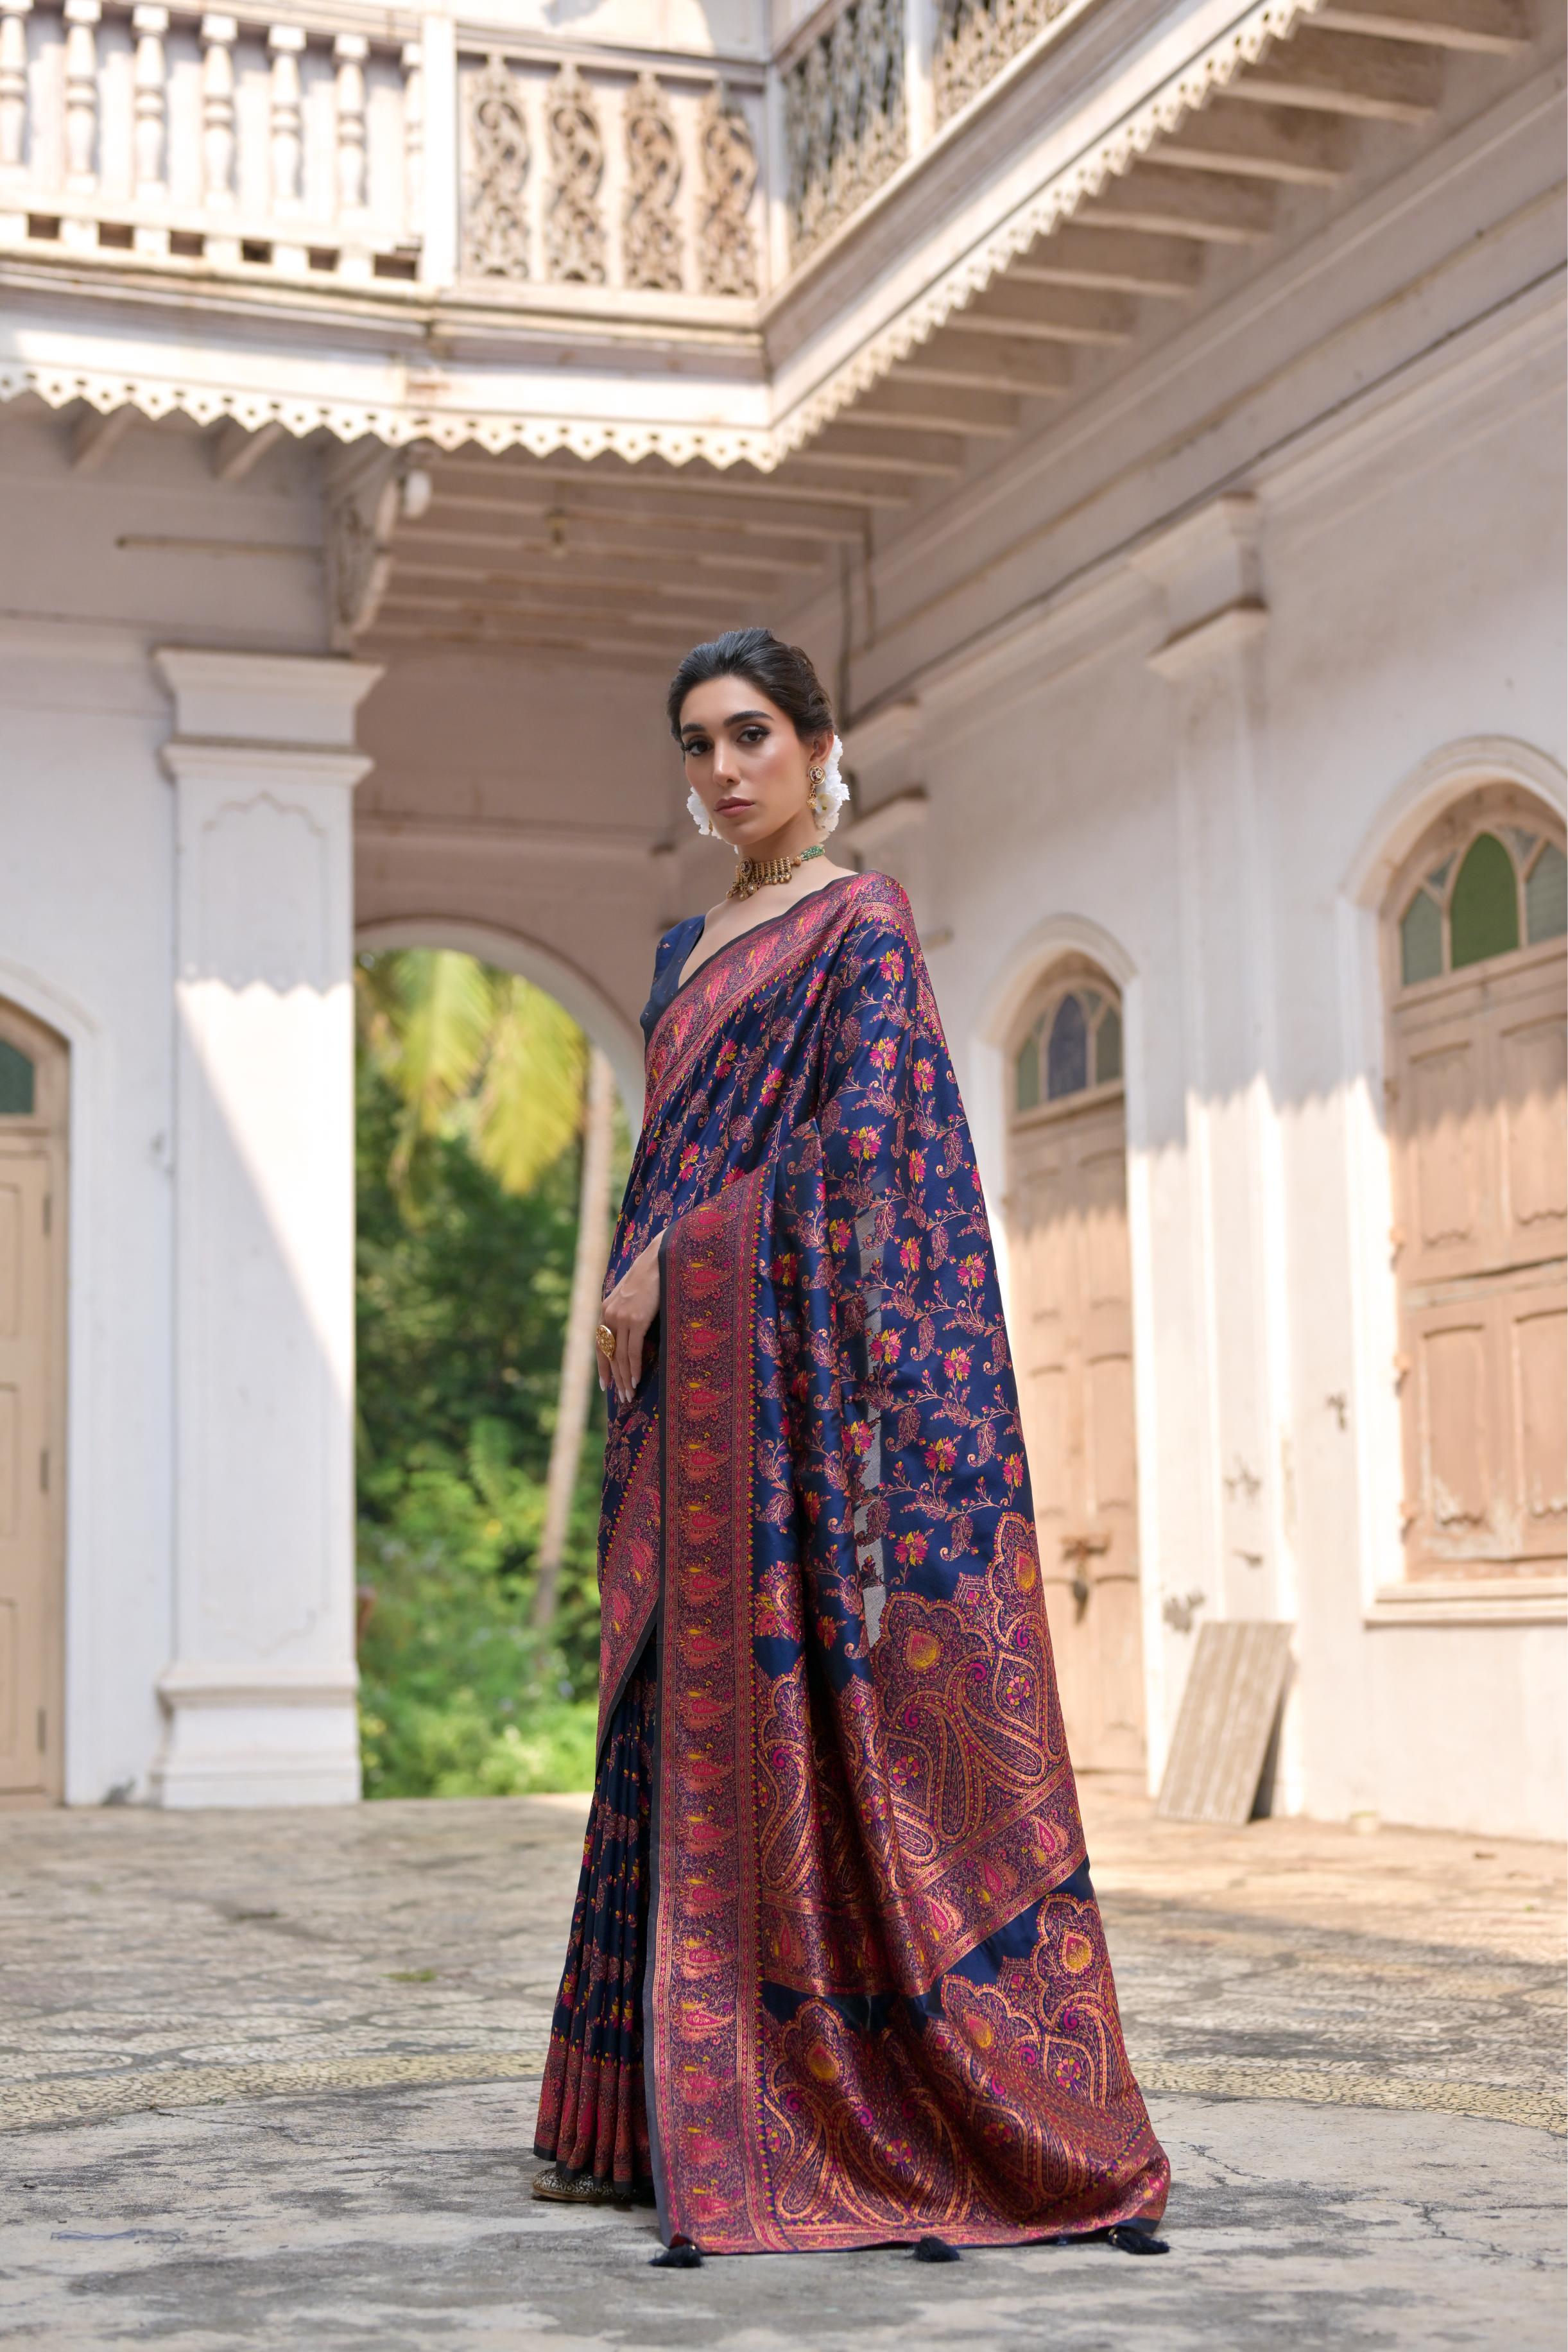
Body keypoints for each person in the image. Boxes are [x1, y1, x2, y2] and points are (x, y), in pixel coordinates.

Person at [531, 627, 1169, 2258]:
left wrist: (680, 1259)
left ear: (816, 746)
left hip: (782, 1405)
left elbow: (874, 1159)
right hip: (683, 1394)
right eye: (697, 742)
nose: (722, 767)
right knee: (659, 1732)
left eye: (750, 733)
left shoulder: (860, 925)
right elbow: (670, 1156)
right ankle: (636, 2119)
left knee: (803, 1725)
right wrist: (645, 1278)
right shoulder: (683, 953)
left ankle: (837, 2106)